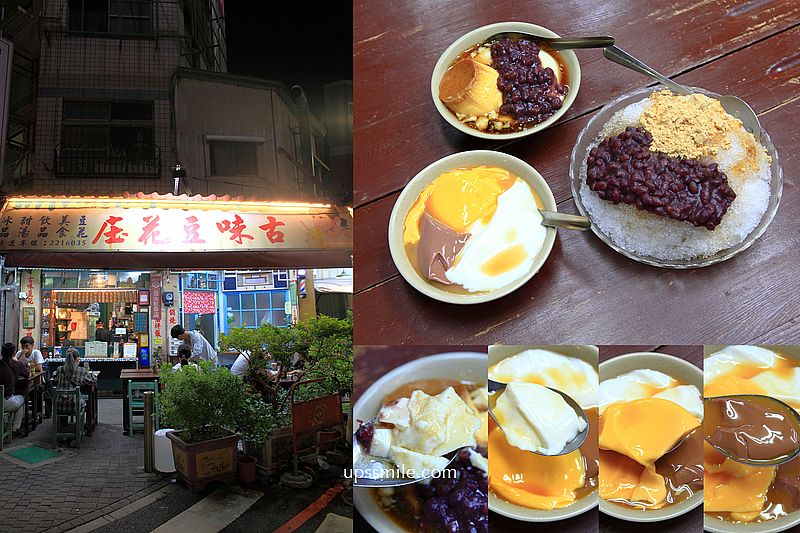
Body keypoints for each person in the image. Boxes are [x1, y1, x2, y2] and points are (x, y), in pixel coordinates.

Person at [52, 348, 97, 414]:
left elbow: (54, 376)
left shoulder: (59, 369)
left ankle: (61, 423)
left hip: (59, 405)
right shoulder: (81, 370)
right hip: (75, 405)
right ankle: (86, 422)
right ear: (77, 358)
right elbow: (92, 380)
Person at [1, 342, 29, 436]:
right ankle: (15, 427)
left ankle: (12, 426)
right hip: (5, 402)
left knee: (17, 401)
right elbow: (27, 374)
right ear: (13, 353)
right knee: (21, 398)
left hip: (4, 401)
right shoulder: (17, 364)